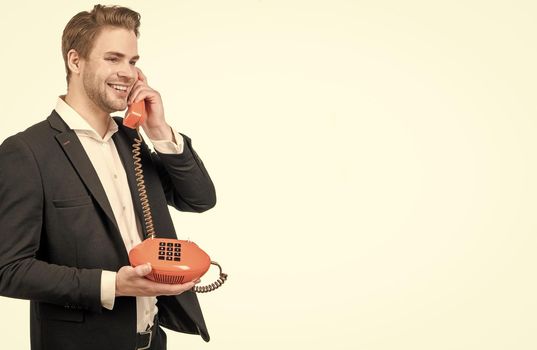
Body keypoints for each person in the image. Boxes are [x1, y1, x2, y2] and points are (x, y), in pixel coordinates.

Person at [0, 4, 216, 350]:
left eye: (132, 61)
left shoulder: (131, 141)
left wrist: (158, 130)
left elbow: (200, 198)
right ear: (75, 61)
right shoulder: (26, 151)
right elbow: (8, 269)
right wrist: (112, 285)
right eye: (113, 59)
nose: (128, 73)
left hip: (151, 342)